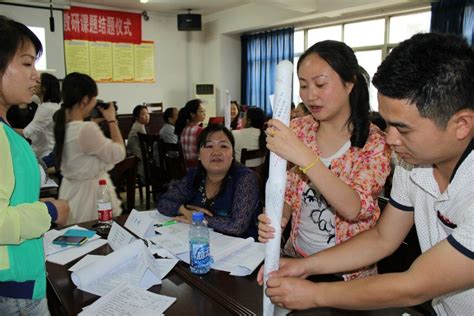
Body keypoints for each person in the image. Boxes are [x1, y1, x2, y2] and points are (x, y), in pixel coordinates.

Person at [259, 33, 474, 315]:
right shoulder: (413, 165)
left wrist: (315, 294)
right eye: (388, 124)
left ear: (461, 124)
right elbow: (382, 238)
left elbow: (415, 285)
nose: (391, 139)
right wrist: (304, 266)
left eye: (403, 128)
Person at [258, 40, 392, 280]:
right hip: (297, 259)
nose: (310, 96)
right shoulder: (298, 130)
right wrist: (279, 216)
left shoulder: (375, 142)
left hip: (349, 273)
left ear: (349, 83)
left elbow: (354, 208)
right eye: (303, 85)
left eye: (320, 84)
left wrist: (306, 158)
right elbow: (287, 191)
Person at [0, 15, 69, 315]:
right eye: (27, 63)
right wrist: (50, 211)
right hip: (12, 287)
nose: (36, 76)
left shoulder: (6, 132)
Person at [157, 124, 260, 238]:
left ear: (232, 154)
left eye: (223, 146)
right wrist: (184, 211)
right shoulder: (195, 175)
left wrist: (197, 218)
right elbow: (163, 203)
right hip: (201, 241)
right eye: (209, 146)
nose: (216, 152)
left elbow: (236, 226)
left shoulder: (245, 178)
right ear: (199, 155)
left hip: (240, 248)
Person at [54, 72, 125, 225]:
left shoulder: (63, 125)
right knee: (96, 240)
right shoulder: (86, 129)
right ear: (85, 100)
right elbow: (119, 153)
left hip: (70, 192)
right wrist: (112, 120)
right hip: (90, 197)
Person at [20, 73, 61, 167]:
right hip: (44, 153)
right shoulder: (50, 105)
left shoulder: (46, 108)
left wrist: (4, 127)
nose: (34, 84)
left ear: (44, 88)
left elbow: (26, 132)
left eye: (37, 82)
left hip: (45, 157)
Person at [175, 99, 206, 168]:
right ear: (192, 114)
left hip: (185, 167)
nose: (204, 113)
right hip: (196, 168)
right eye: (201, 111)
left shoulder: (183, 129)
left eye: (204, 111)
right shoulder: (199, 130)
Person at [126, 104, 150, 181]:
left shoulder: (138, 125)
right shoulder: (139, 126)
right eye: (143, 114)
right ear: (136, 117)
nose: (146, 116)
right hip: (137, 157)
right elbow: (146, 144)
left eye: (147, 113)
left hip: (134, 154)